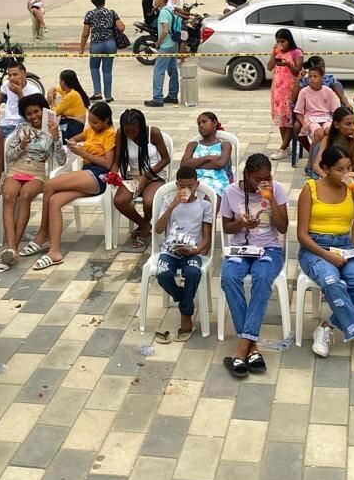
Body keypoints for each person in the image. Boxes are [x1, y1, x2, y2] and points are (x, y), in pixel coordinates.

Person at [298, 144, 354, 364]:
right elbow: (302, 236)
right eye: (340, 169)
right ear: (326, 169)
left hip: (344, 246)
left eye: (349, 168)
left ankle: (327, 326)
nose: (346, 174)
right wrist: (328, 256)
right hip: (315, 247)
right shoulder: (310, 189)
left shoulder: (353, 190)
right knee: (332, 281)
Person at [21, 101, 116, 270]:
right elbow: (74, 139)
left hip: (99, 175)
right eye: (90, 121)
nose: (91, 125)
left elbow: (108, 163)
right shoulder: (90, 130)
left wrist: (82, 152)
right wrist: (71, 143)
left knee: (49, 184)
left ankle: (43, 232)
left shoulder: (110, 134)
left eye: (95, 122)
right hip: (86, 174)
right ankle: (54, 251)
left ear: (106, 121)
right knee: (55, 201)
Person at [220, 153, 289, 376]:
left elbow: (283, 227)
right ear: (246, 175)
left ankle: (242, 349)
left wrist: (271, 200)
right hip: (241, 248)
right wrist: (241, 222)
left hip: (269, 249)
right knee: (229, 277)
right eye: (258, 179)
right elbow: (226, 229)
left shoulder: (276, 189)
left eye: (267, 177)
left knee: (261, 279)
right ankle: (252, 346)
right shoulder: (230, 192)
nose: (263, 182)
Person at [0, 94, 65, 268]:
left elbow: (61, 160)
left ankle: (13, 245)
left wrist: (56, 137)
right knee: (8, 196)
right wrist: (22, 146)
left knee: (26, 195)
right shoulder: (21, 128)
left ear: (44, 111)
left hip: (37, 170)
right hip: (17, 167)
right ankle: (12, 249)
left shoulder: (52, 129)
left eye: (37, 112)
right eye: (29, 113)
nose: (34, 116)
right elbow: (8, 156)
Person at [154, 165, 215, 341]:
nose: (186, 190)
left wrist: (198, 249)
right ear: (177, 185)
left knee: (192, 272)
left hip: (192, 251)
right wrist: (172, 205)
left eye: (190, 186)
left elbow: (207, 237)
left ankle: (185, 313)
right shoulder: (168, 202)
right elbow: (158, 229)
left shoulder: (204, 205)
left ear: (197, 184)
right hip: (170, 250)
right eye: (182, 187)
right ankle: (185, 303)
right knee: (163, 274)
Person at [113, 108, 171, 247]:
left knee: (149, 202)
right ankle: (145, 226)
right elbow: (117, 161)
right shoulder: (121, 134)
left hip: (155, 175)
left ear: (141, 126)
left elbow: (165, 159)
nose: (131, 135)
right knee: (119, 201)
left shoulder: (153, 133)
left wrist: (146, 177)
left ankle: (143, 224)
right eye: (128, 132)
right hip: (133, 175)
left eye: (134, 131)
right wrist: (113, 173)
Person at [295, 61, 341, 172]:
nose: (312, 79)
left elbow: (335, 111)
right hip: (310, 118)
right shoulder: (304, 92)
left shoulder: (328, 91)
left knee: (329, 132)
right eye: (310, 76)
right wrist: (303, 124)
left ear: (322, 78)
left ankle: (326, 160)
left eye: (315, 76)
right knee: (319, 133)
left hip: (326, 117)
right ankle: (311, 161)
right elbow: (298, 112)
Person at [267, 28, 304, 159]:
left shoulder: (296, 52)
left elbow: (297, 71)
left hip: (290, 90)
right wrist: (274, 53)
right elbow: (269, 67)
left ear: (289, 40)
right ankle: (286, 145)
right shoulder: (277, 52)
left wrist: (288, 64)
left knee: (289, 119)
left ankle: (283, 147)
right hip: (278, 91)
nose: (281, 44)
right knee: (281, 120)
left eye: (283, 41)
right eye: (278, 41)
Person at [80, 0, 122, 103]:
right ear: (104, 1)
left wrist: (81, 48)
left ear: (93, 3)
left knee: (94, 68)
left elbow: (85, 33)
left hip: (96, 44)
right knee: (107, 70)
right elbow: (121, 27)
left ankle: (97, 93)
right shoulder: (111, 13)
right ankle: (108, 96)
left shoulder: (90, 14)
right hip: (110, 43)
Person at [180, 111, 233, 196]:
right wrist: (207, 158)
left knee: (212, 199)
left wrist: (193, 163)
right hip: (192, 182)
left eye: (204, 122)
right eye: (199, 124)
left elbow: (220, 164)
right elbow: (183, 165)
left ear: (214, 123)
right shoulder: (193, 144)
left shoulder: (225, 145)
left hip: (217, 181)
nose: (201, 125)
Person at [147, 0, 180, 108]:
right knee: (172, 70)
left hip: (165, 46)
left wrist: (158, 42)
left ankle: (157, 98)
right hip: (173, 44)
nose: (155, 1)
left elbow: (165, 30)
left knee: (158, 72)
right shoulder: (170, 10)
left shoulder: (163, 12)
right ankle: (173, 95)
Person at [0, 62, 42, 137]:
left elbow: (28, 113)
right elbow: (1, 91)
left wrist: (20, 94)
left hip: (21, 126)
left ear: (24, 75)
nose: (11, 78)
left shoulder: (34, 91)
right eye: (9, 75)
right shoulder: (7, 84)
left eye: (15, 74)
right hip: (5, 123)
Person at [50, 70, 89, 141]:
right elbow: (55, 89)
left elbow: (55, 112)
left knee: (54, 136)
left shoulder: (71, 95)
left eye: (59, 80)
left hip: (74, 125)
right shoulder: (68, 91)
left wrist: (52, 101)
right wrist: (51, 91)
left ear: (63, 82)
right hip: (71, 123)